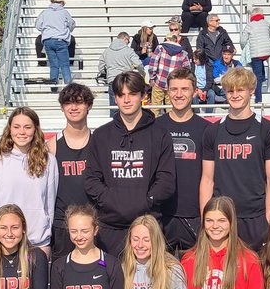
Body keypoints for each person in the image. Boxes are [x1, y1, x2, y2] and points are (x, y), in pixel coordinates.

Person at [85, 70, 176, 257]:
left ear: (143, 96)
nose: (126, 100)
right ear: (116, 99)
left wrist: (146, 201)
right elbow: (91, 180)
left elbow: (166, 180)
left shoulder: (160, 134)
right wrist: (110, 200)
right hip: (110, 227)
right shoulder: (101, 135)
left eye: (132, 94)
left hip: (147, 226)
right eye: (121, 95)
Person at [199, 65, 270, 251]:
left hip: (256, 217)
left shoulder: (267, 129)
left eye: (240, 90)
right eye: (230, 90)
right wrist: (206, 218)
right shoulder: (213, 131)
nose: (235, 95)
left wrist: (269, 217)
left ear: (251, 91)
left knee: (258, 276)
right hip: (222, 218)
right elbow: (207, 179)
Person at [0, 106, 58, 251]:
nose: (22, 132)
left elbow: (50, 203)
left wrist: (45, 228)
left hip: (37, 240)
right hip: (4, 241)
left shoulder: (48, 160)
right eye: (17, 127)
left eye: (27, 127)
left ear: (35, 130)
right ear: (10, 129)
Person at [156, 67, 210, 252]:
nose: (179, 94)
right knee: (162, 280)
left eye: (184, 89)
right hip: (162, 216)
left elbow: (210, 177)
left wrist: (206, 217)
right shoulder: (155, 127)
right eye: (174, 89)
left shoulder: (206, 130)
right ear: (167, 91)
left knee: (195, 279)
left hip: (195, 216)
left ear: (195, 91)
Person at [47, 83, 94, 259]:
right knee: (63, 279)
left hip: (92, 224)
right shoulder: (51, 146)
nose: (73, 107)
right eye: (68, 103)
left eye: (79, 102)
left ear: (88, 105)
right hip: (63, 226)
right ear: (62, 107)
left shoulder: (98, 143)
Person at [35, 0, 76, 87]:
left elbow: (38, 25)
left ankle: (53, 88)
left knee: (53, 65)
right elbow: (72, 25)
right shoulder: (64, 12)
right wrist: (65, 30)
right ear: (61, 2)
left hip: (48, 41)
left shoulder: (44, 12)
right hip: (60, 40)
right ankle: (69, 89)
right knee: (65, 65)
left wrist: (46, 30)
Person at [241, 8, 270, 102]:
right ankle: (263, 77)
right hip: (267, 51)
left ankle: (258, 98)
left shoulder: (250, 25)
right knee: (260, 62)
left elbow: (243, 39)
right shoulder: (266, 23)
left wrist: (243, 47)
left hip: (256, 53)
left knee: (257, 76)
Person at [147, 34, 191, 106]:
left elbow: (153, 65)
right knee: (170, 108)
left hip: (159, 81)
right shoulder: (183, 53)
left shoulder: (160, 48)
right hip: (173, 84)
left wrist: (152, 78)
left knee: (155, 108)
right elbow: (187, 70)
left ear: (167, 39)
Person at [97, 31, 143, 95]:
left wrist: (105, 73)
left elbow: (101, 66)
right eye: (128, 41)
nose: (128, 43)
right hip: (125, 79)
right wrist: (143, 73)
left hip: (112, 79)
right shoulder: (129, 51)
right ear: (125, 38)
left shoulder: (106, 51)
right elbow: (138, 64)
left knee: (113, 103)